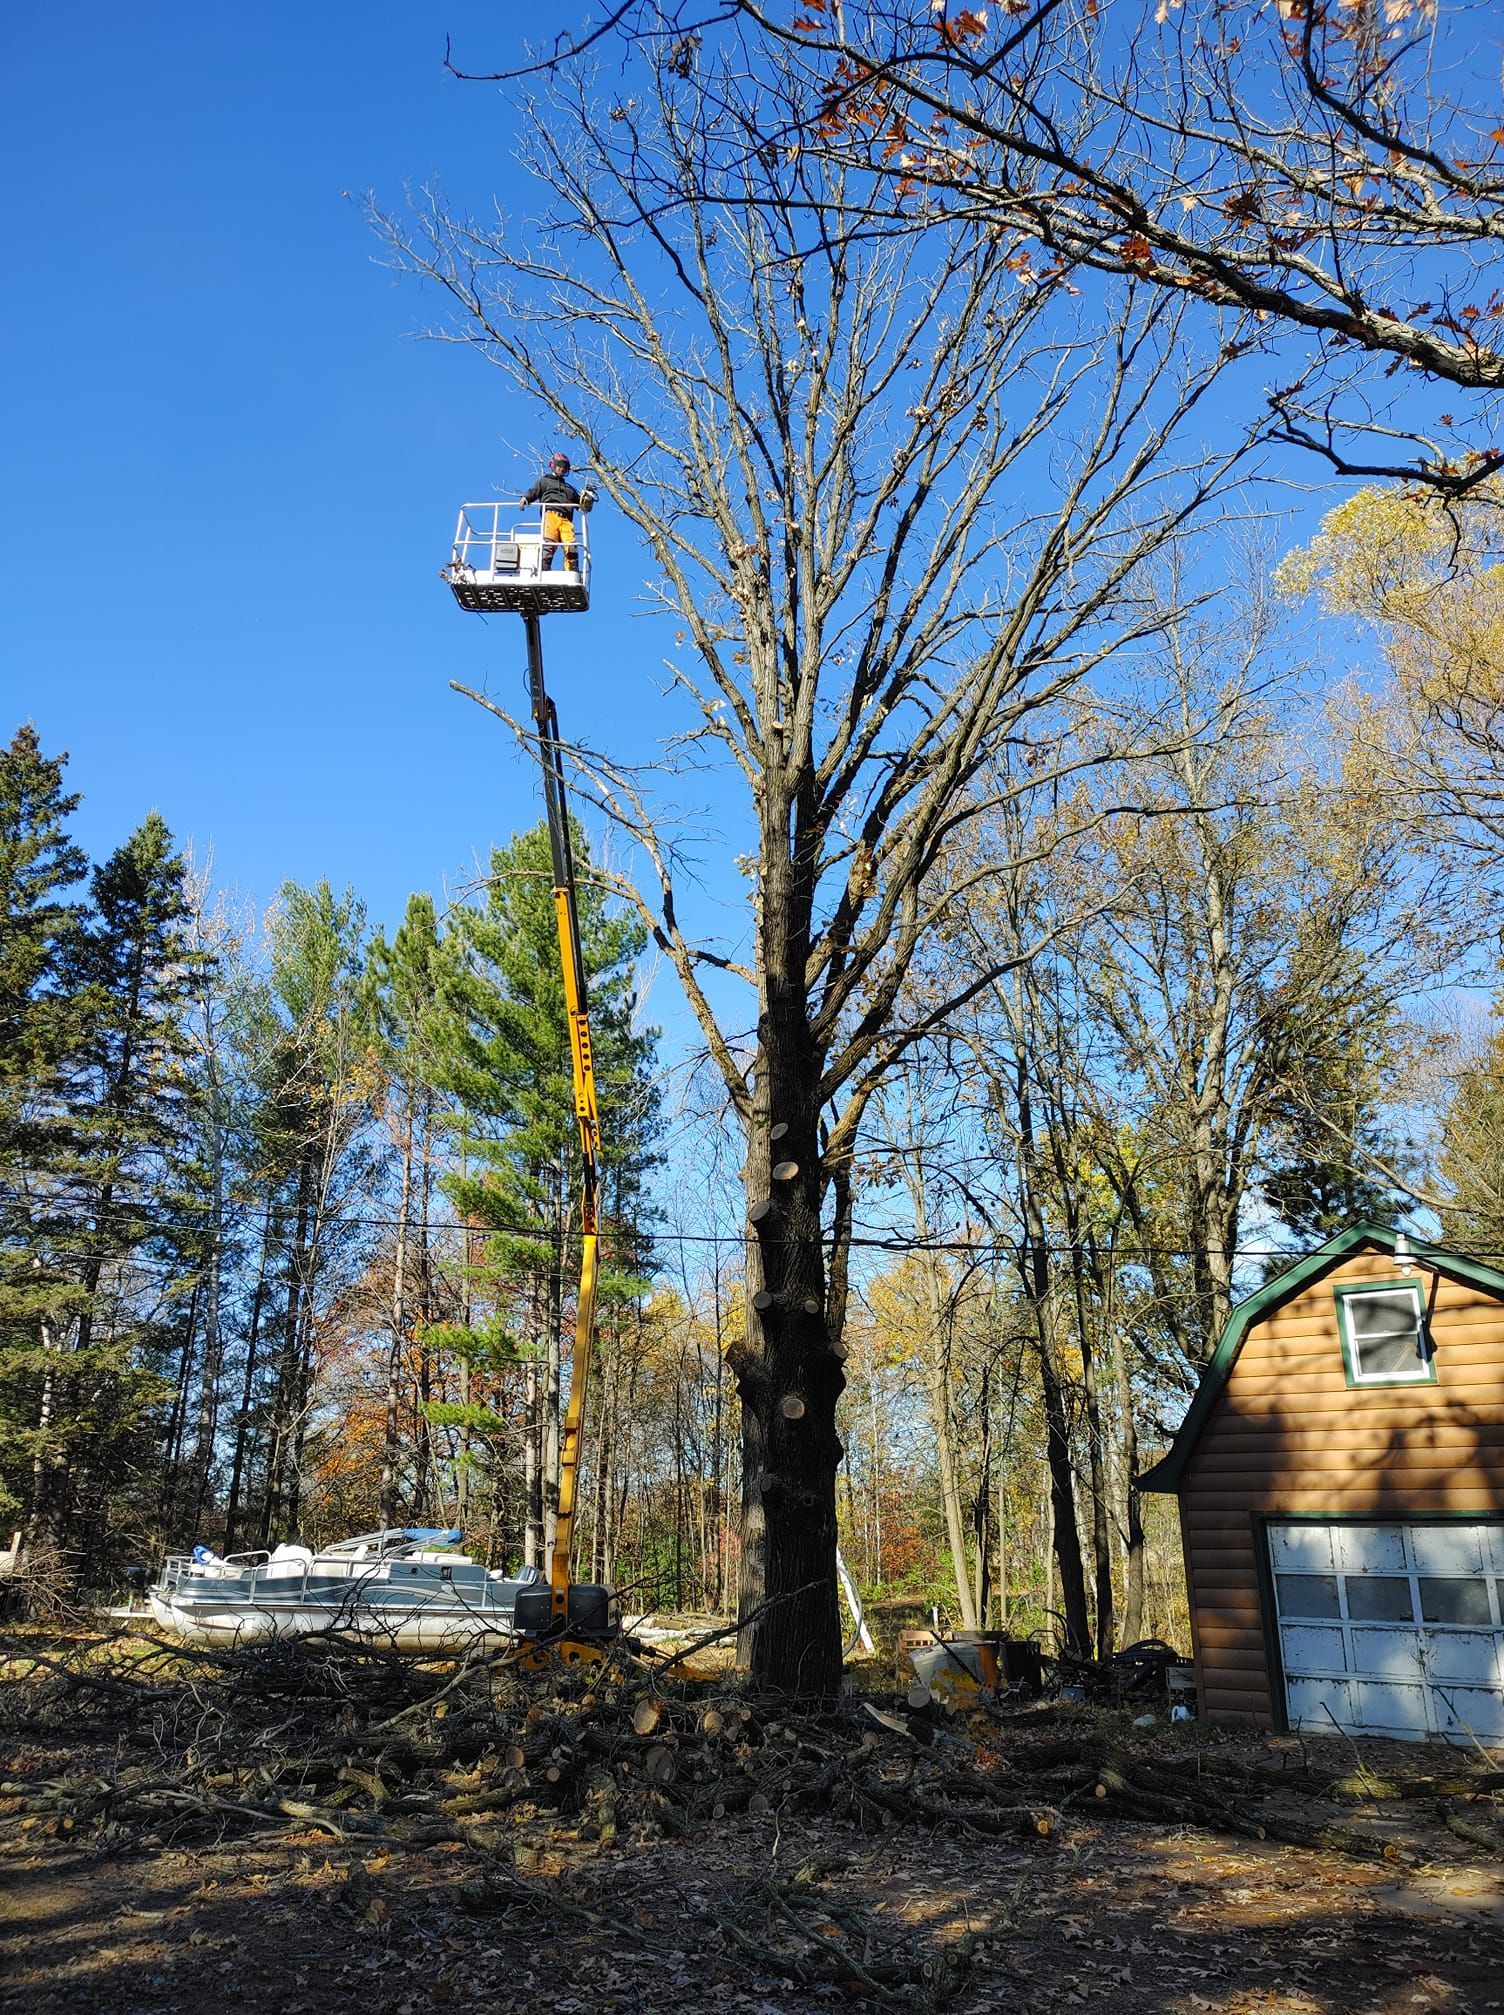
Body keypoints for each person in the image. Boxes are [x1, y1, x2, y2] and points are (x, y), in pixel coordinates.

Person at [522, 452, 595, 571]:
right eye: (559, 465)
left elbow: (582, 505)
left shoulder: (569, 489)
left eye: (564, 467)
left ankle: (571, 569)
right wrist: (525, 498)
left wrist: (587, 498)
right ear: (553, 465)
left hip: (566, 519)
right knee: (549, 543)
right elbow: (534, 491)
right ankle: (544, 569)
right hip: (551, 515)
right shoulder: (545, 481)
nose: (562, 468)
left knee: (571, 544)